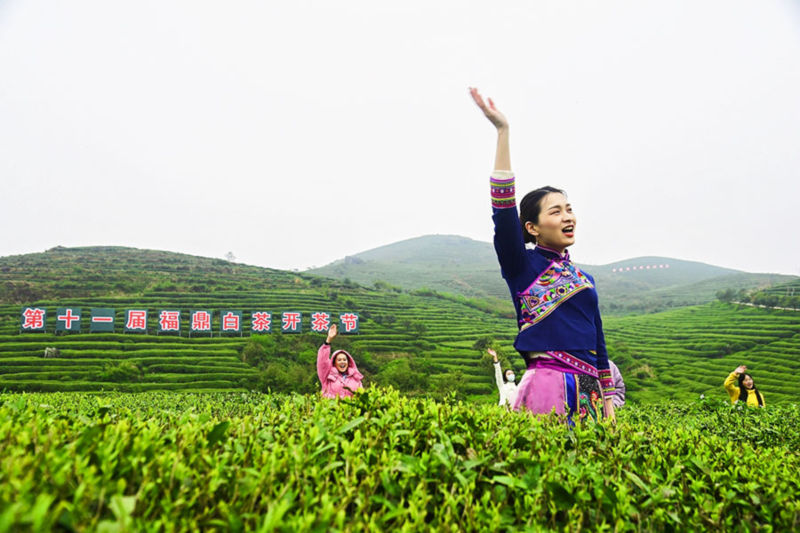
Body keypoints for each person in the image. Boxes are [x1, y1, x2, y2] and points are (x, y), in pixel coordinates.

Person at [470, 87, 616, 423]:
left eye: (569, 209)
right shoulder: (522, 265)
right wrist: (503, 132)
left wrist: (607, 400)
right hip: (546, 384)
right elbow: (503, 210)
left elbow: (599, 341)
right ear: (532, 227)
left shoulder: (585, 280)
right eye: (556, 211)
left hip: (590, 390)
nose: (567, 217)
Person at [317, 324, 363, 398]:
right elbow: (322, 362)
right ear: (334, 363)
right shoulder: (327, 376)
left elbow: (361, 396)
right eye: (339, 360)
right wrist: (328, 340)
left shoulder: (356, 378)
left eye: (344, 360)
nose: (342, 362)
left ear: (348, 362)